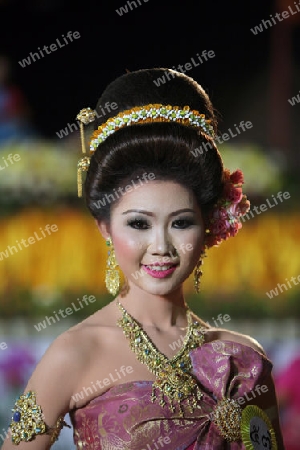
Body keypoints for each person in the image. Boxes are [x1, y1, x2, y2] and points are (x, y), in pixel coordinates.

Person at [1, 68, 284, 449]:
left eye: (181, 223)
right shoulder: (76, 353)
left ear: (209, 225)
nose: (161, 247)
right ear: (104, 226)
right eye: (138, 224)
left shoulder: (243, 360)